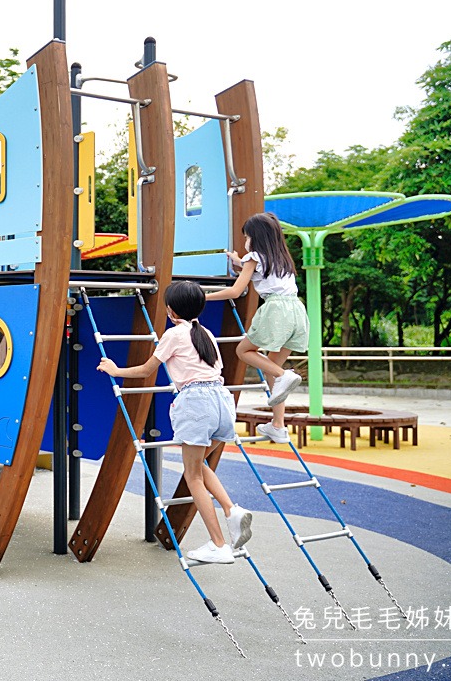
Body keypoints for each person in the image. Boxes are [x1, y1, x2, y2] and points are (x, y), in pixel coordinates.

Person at [98, 281, 252, 564]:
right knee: (200, 465)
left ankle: (218, 544)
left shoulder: (174, 334)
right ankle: (231, 510)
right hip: (222, 401)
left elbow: (147, 370)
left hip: (197, 403)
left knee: (192, 475)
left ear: (170, 310)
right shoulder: (206, 334)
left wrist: (115, 369)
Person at [206, 211, 309, 444]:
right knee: (272, 369)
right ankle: (279, 426)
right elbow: (252, 268)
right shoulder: (282, 258)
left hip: (276, 311)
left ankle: (285, 375)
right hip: (297, 312)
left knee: (244, 351)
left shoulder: (254, 256)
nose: (246, 242)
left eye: (247, 237)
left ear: (255, 237)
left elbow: (235, 290)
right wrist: (237, 261)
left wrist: (203, 297)